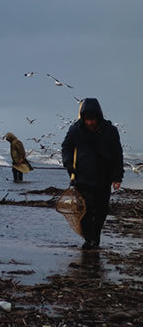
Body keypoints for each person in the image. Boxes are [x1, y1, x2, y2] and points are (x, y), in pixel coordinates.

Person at [62, 98, 124, 250]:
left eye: (92, 119)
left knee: (101, 211)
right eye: (87, 119)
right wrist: (69, 164)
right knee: (85, 210)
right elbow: (66, 147)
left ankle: (95, 237)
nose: (90, 123)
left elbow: (117, 154)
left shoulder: (110, 130)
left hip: (104, 178)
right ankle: (89, 239)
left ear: (98, 117)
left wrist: (117, 176)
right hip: (82, 177)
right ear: (83, 118)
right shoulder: (76, 130)